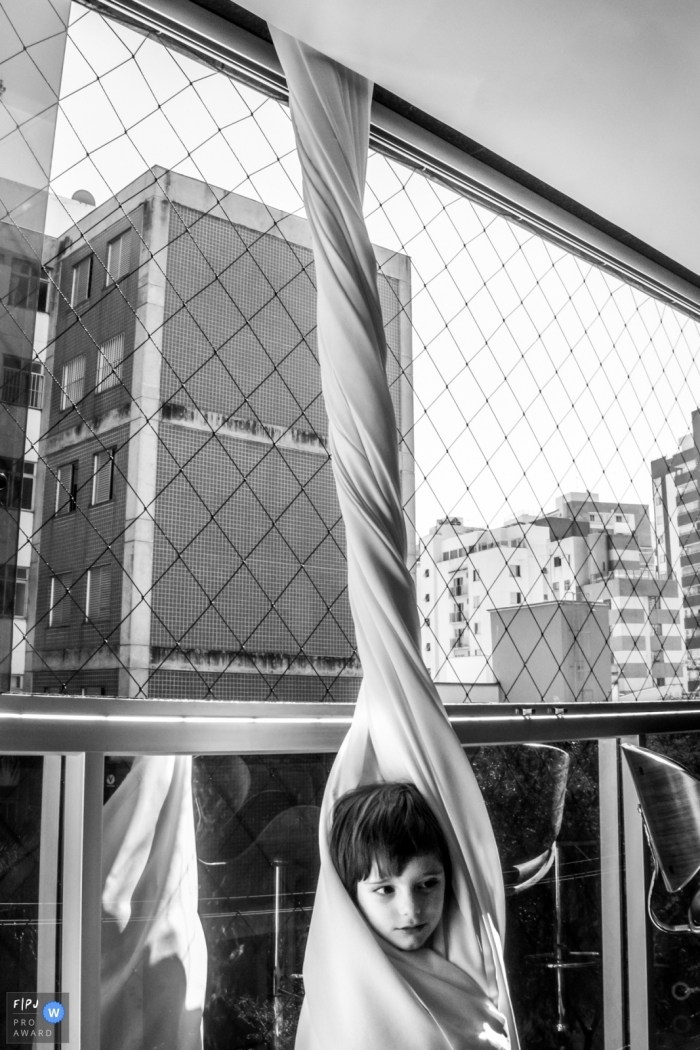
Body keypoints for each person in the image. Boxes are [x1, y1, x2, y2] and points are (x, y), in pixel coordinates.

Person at [329, 783, 450, 952]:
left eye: (427, 884)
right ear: (351, 893)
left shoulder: (465, 960)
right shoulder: (343, 975)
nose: (411, 909)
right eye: (386, 890)